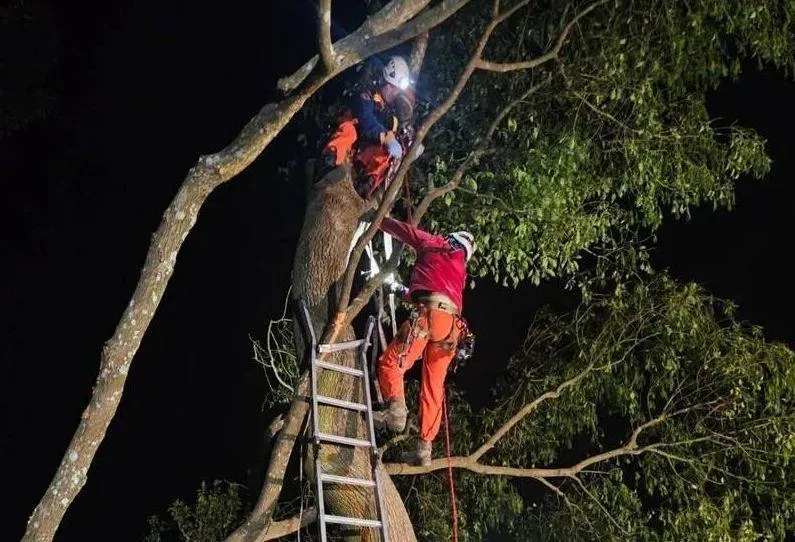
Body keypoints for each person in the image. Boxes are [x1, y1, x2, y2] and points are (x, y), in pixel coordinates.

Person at [372, 217, 475, 466]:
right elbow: (435, 290)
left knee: (390, 363)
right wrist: (401, 291)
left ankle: (396, 413)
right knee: (433, 388)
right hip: (452, 329)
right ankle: (424, 449)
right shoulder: (459, 270)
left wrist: (379, 218)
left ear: (451, 239)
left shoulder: (437, 244)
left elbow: (404, 231)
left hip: (430, 317)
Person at [321, 56, 415, 198]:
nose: (393, 92)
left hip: (364, 149)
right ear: (385, 82)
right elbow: (366, 120)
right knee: (349, 131)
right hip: (352, 135)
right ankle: (328, 165)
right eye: (391, 87)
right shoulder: (367, 94)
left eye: (396, 89)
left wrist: (409, 146)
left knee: (386, 153)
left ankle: (364, 186)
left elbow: (395, 135)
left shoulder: (392, 113)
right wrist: (385, 137)